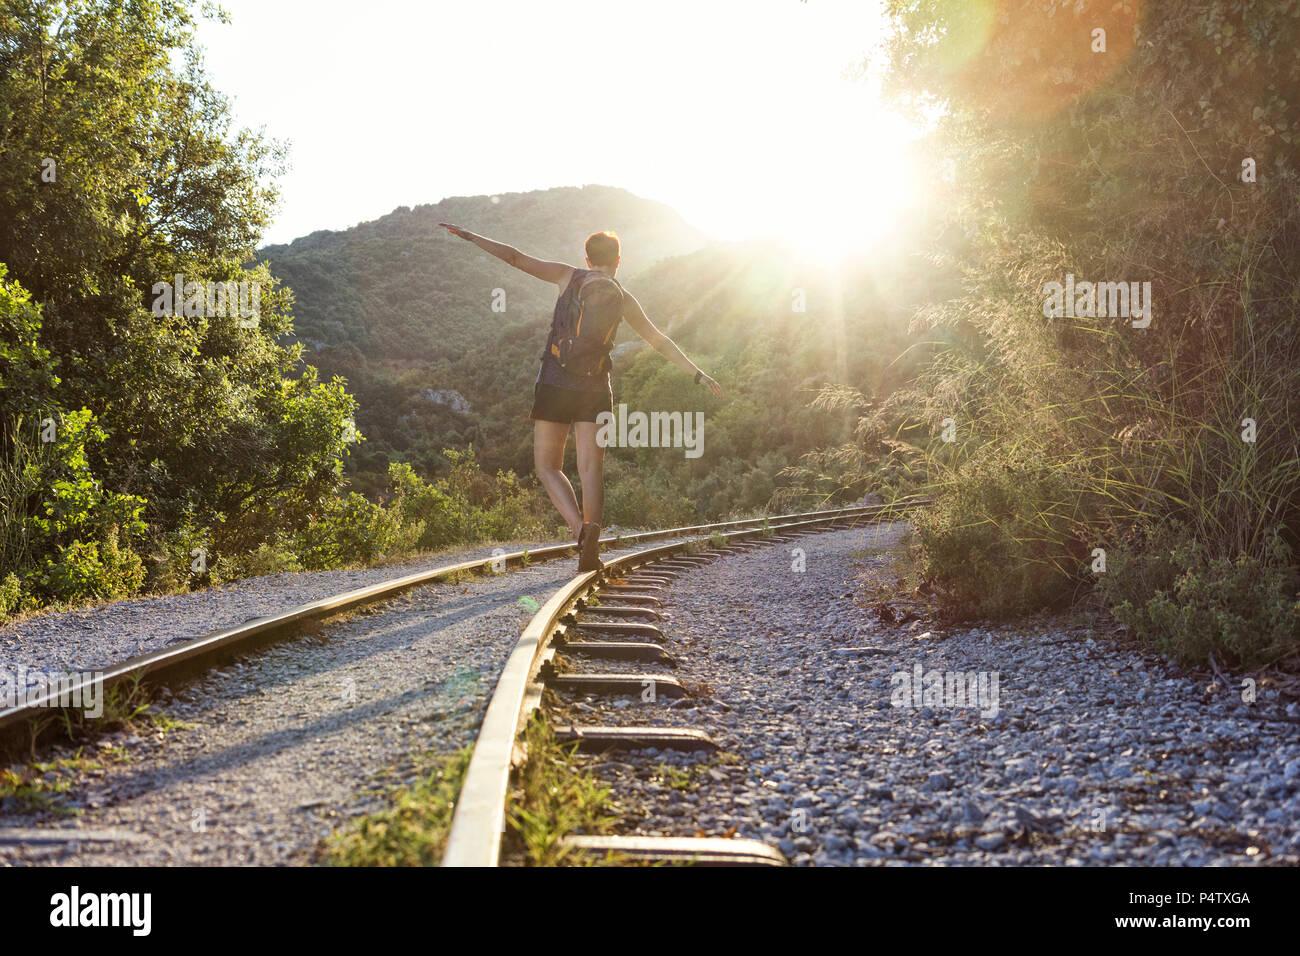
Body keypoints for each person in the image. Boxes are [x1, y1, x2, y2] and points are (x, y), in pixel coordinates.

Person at [438, 223, 722, 571]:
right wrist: (697, 372)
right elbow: (658, 339)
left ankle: (578, 532)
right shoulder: (623, 297)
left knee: (547, 466)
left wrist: (470, 235)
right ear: (619, 261)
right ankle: (593, 536)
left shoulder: (568, 277)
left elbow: (514, 257)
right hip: (596, 390)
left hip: (554, 385)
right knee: (591, 467)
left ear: (587, 259)